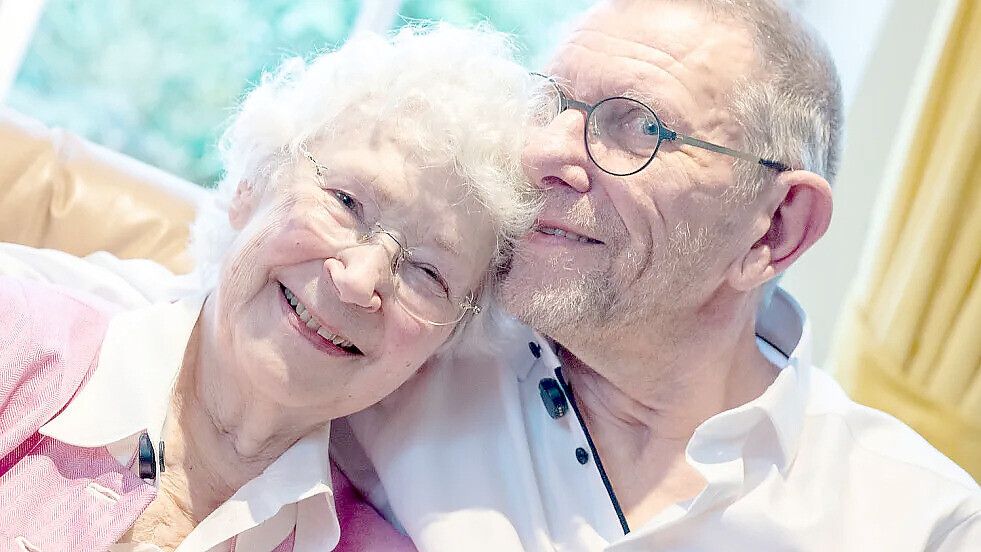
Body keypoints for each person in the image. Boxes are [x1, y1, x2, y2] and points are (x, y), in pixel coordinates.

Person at [3, 1, 980, 551]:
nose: (552, 150)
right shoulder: (414, 339)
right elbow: (192, 324)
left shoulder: (914, 522)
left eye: (635, 126)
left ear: (777, 224)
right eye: (553, 101)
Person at [0, 24, 537, 552]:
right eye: (346, 203)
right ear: (250, 185)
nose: (358, 279)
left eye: (427, 273)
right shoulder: (16, 343)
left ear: (437, 350)